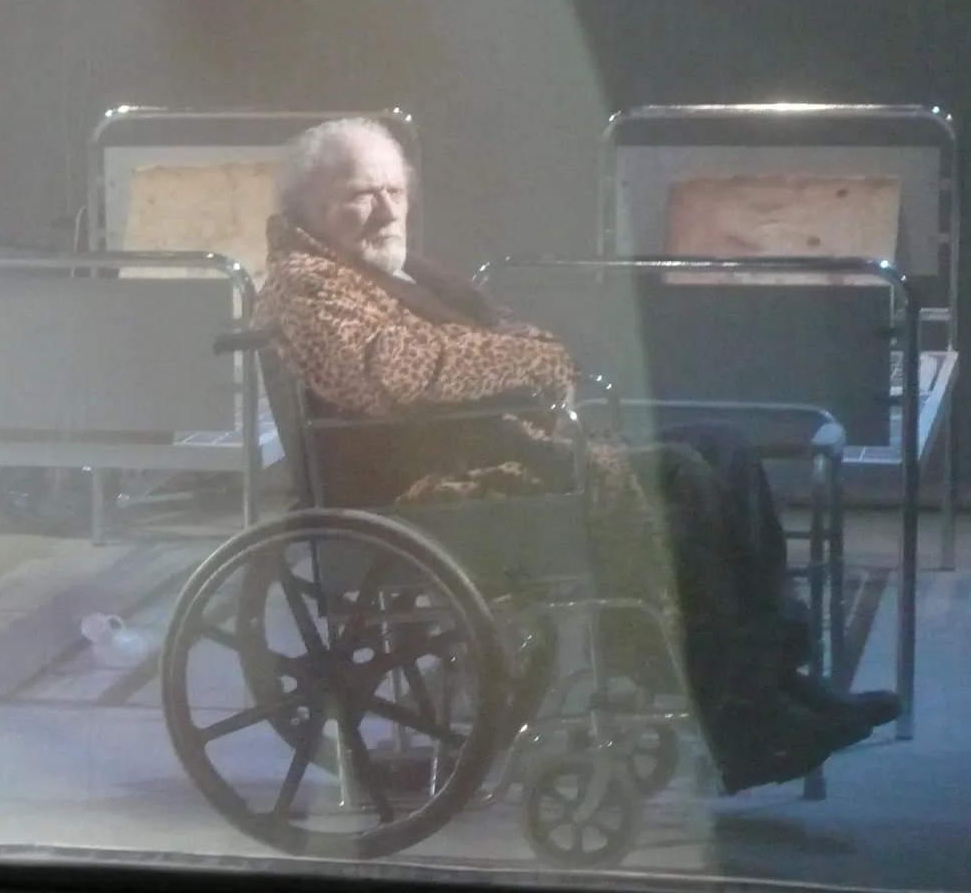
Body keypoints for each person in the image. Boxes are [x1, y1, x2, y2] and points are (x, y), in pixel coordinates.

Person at [254, 116, 902, 793]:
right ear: (307, 206)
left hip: (496, 454)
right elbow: (398, 374)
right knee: (679, 478)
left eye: (394, 190)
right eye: (360, 195)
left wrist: (519, 356)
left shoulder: (395, 270)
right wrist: (524, 361)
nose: (387, 211)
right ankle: (735, 716)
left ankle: (772, 678)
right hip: (425, 490)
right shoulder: (306, 285)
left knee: (723, 448)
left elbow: (506, 336)